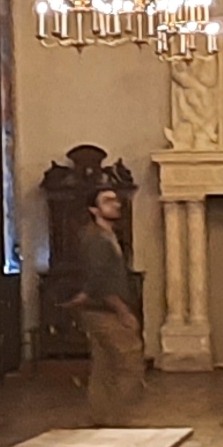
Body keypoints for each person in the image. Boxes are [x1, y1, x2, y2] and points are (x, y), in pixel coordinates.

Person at [56, 180, 146, 425]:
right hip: (107, 312)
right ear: (94, 210)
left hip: (99, 309)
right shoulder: (96, 239)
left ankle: (102, 418)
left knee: (104, 367)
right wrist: (123, 311)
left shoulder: (108, 236)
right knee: (129, 363)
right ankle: (118, 417)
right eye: (107, 201)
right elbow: (101, 279)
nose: (115, 204)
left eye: (116, 200)